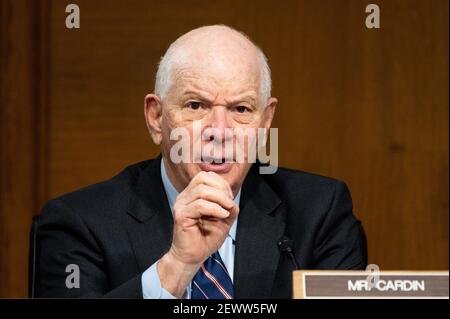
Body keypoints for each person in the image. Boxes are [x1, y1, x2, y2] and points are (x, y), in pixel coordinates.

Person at [35, 25, 367, 299]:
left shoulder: (319, 212)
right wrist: (177, 266)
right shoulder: (78, 224)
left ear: (265, 123)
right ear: (156, 117)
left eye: (241, 110)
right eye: (196, 105)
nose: (220, 132)